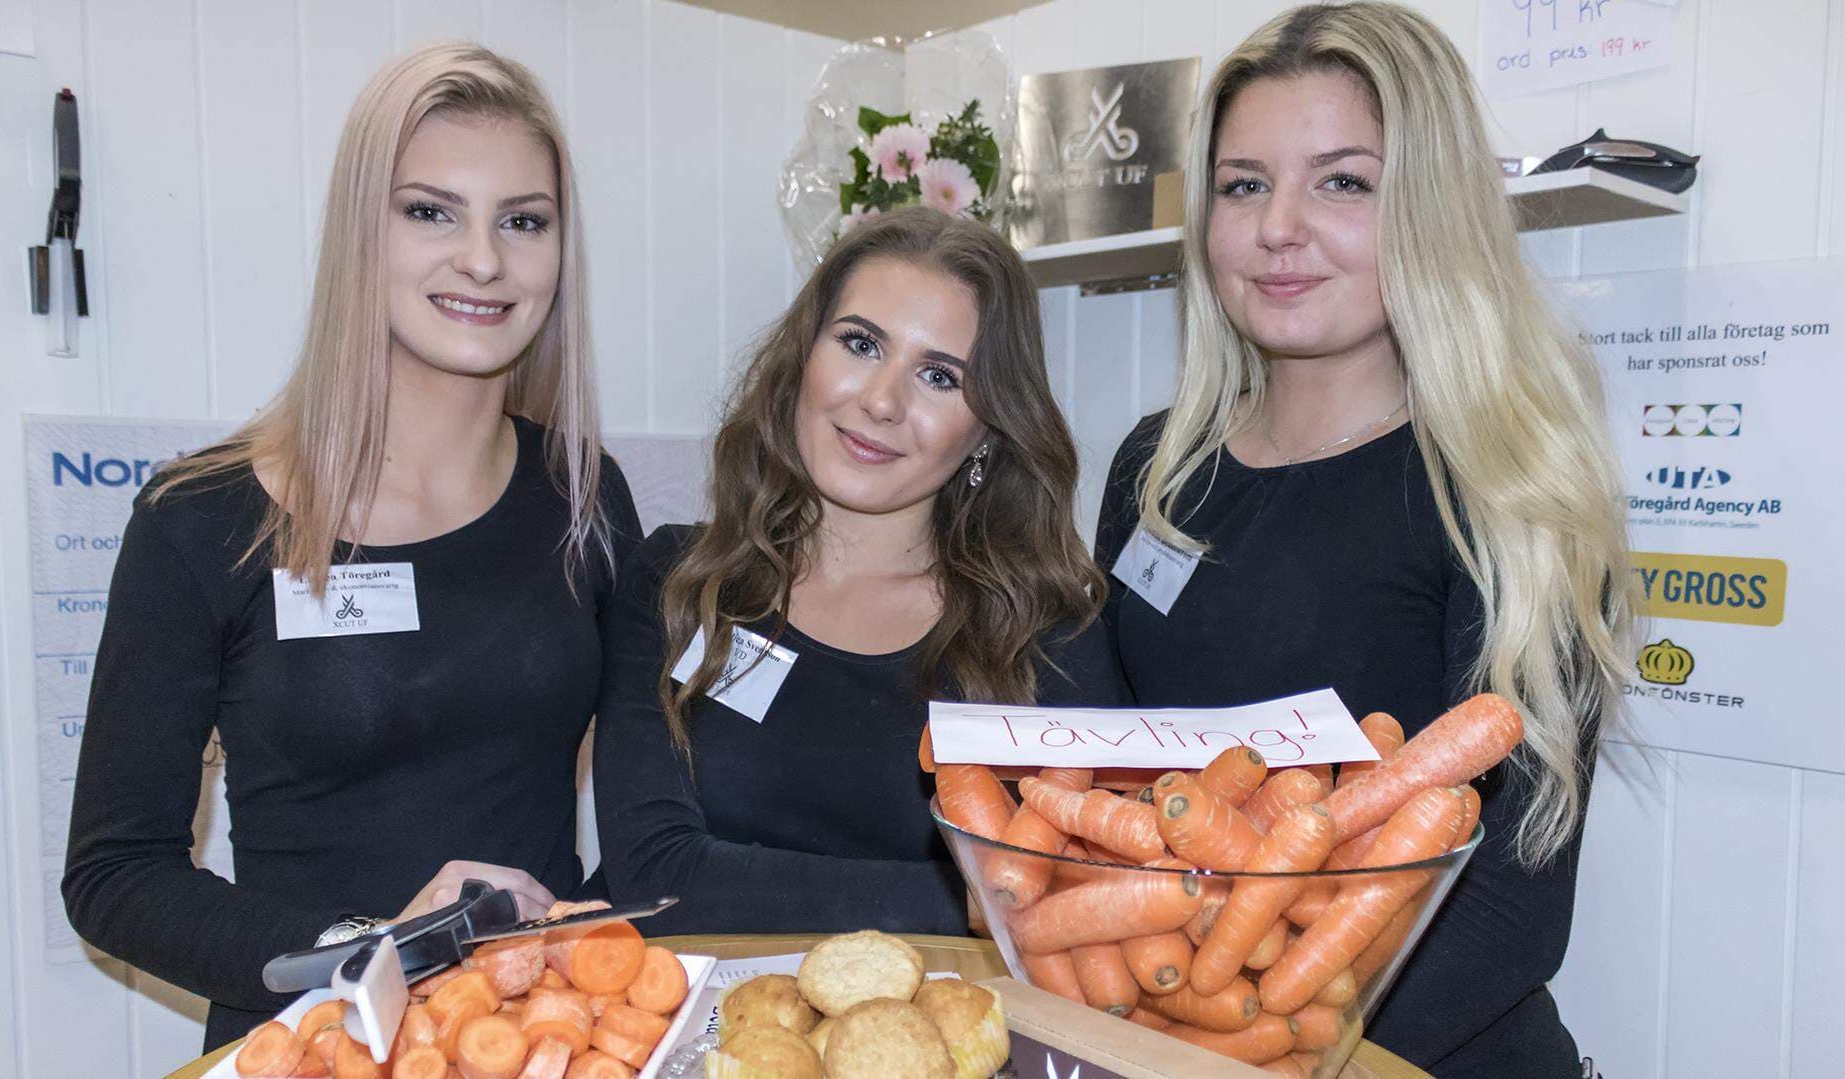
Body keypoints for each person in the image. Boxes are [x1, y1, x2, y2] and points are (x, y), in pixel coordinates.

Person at [1093, 5, 1635, 1076]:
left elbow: (1509, 914)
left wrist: (1260, 1054)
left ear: (1430, 206)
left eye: (1342, 181)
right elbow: (1114, 804)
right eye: (1245, 183)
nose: (1277, 226)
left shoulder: (1510, 491)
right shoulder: (1155, 471)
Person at [62, 43, 639, 1050]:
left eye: (523, 220)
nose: (484, 259)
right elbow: (116, 876)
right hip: (310, 1040)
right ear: (358, 234)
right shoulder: (203, 518)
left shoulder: (582, 497)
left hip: (528, 1046)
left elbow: (652, 815)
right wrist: (379, 942)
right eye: (430, 211)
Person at [593, 207, 1127, 935]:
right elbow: (654, 876)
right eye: (859, 343)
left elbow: (1088, 900)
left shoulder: (1047, 633)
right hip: (698, 1035)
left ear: (986, 431)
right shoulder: (680, 583)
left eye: (939, 376)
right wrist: (977, 904)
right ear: (802, 359)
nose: (881, 400)